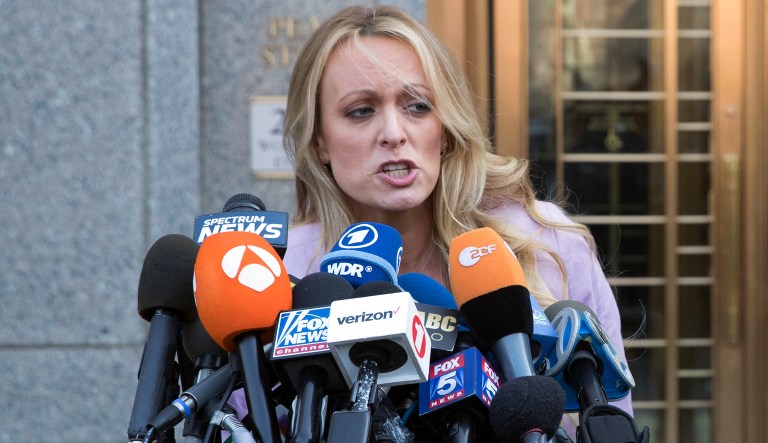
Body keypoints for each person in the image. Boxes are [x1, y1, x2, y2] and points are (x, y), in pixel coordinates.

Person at [232, 4, 633, 440]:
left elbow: (609, 419)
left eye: (418, 106)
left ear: (444, 128)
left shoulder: (548, 247)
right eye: (361, 111)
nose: (393, 132)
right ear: (320, 140)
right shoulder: (277, 278)